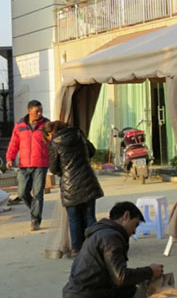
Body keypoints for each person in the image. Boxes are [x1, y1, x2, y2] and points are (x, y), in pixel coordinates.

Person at [61, 201, 164, 298]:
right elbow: (121, 277)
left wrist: (144, 280)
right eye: (135, 225)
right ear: (126, 216)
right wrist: (149, 271)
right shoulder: (110, 237)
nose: (135, 231)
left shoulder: (103, 232)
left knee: (131, 292)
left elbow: (119, 278)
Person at [44, 121, 104, 258]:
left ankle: (77, 248)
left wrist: (64, 171)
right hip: (87, 179)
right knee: (90, 216)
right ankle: (94, 246)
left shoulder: (54, 143)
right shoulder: (78, 134)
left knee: (74, 218)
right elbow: (92, 151)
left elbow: (53, 168)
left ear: (51, 133)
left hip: (69, 184)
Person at [6, 100, 50, 231]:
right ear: (29, 111)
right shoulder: (20, 125)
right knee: (22, 192)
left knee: (38, 193)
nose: (40, 113)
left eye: (41, 111)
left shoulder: (47, 125)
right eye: (37, 111)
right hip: (24, 164)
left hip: (41, 164)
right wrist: (9, 158)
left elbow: (53, 143)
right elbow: (14, 143)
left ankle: (35, 220)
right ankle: (35, 210)